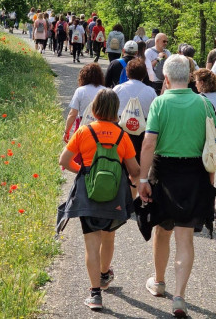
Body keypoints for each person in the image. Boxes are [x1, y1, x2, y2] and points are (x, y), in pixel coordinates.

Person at [138, 54, 216, 317]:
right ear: (191, 77)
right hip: (194, 173)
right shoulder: (204, 104)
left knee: (163, 230)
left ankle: (159, 283)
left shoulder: (160, 103)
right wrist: (210, 182)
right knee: (185, 238)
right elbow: (212, 147)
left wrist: (141, 179)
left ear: (168, 79)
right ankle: (180, 297)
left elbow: (149, 143)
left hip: (164, 172)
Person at [58, 89, 140, 310]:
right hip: (113, 196)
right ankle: (104, 275)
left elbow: (64, 160)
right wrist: (131, 192)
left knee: (91, 244)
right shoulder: (122, 136)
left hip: (87, 195)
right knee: (109, 237)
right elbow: (135, 170)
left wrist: (83, 172)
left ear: (94, 109)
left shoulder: (84, 131)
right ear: (116, 111)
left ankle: (95, 295)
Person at [113, 58, 157, 163]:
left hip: (120, 130)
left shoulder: (117, 89)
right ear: (144, 75)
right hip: (142, 132)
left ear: (127, 72)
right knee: (137, 161)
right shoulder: (151, 92)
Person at [63, 63, 105, 143]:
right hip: (102, 128)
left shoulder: (80, 90)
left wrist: (66, 131)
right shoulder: (106, 91)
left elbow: (72, 114)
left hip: (83, 125)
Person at [195, 68, 216, 153]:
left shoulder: (196, 99)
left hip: (198, 135)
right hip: (213, 136)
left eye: (196, 82)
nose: (195, 85)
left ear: (202, 82)